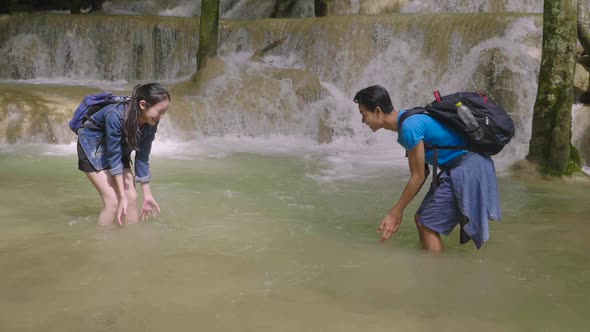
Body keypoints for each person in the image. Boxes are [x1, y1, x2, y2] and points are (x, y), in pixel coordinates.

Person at [353, 85, 501, 251]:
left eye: (363, 114)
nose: (362, 121)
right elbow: (423, 172)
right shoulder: (408, 120)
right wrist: (398, 211)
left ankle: (437, 272)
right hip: (463, 166)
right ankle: (427, 265)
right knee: (421, 218)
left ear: (378, 111)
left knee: (426, 224)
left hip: (468, 167)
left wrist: (395, 212)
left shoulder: (409, 126)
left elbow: (418, 177)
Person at [77, 83, 171, 226]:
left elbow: (142, 157)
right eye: (160, 111)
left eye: (164, 112)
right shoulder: (115, 115)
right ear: (143, 105)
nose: (161, 116)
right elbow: (114, 158)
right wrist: (122, 196)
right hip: (92, 142)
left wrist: (147, 195)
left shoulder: (151, 121)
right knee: (113, 202)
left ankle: (131, 239)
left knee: (132, 196)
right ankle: (102, 242)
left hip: (118, 144)